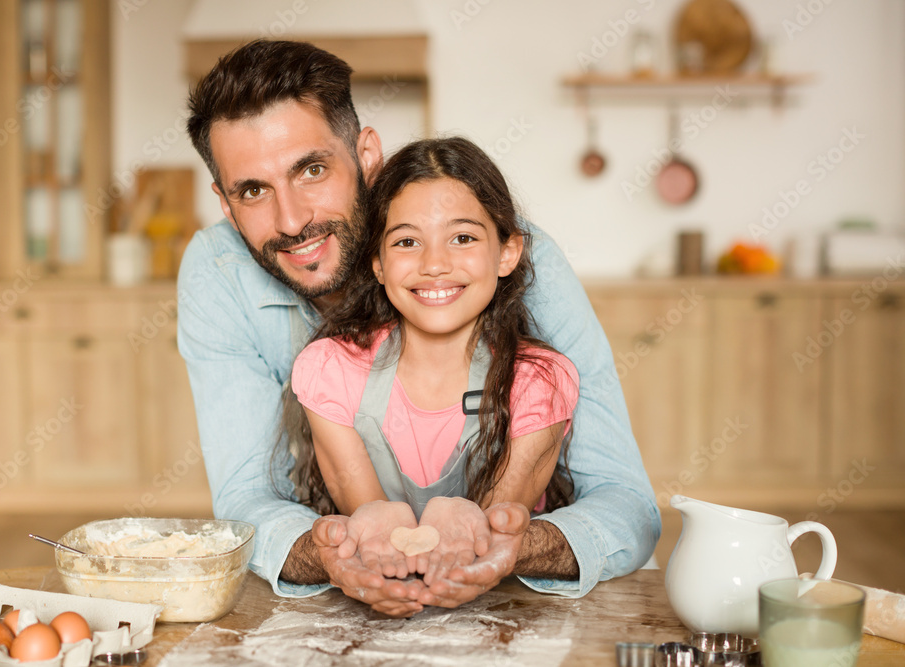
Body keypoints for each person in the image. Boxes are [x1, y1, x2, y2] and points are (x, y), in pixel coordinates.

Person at [179, 39, 660, 618]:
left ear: (367, 153)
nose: (291, 220)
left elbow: (626, 503)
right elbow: (246, 501)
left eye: (311, 170)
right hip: (343, 613)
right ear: (227, 206)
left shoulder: (497, 254)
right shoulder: (216, 272)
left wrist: (510, 547)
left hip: (516, 612)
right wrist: (331, 553)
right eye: (253, 191)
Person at [288, 137, 580, 587]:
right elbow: (374, 528)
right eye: (407, 242)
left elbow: (488, 537)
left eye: (462, 238)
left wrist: (464, 523)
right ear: (378, 264)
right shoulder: (329, 371)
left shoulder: (541, 383)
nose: (435, 264)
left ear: (507, 252)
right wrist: (380, 533)